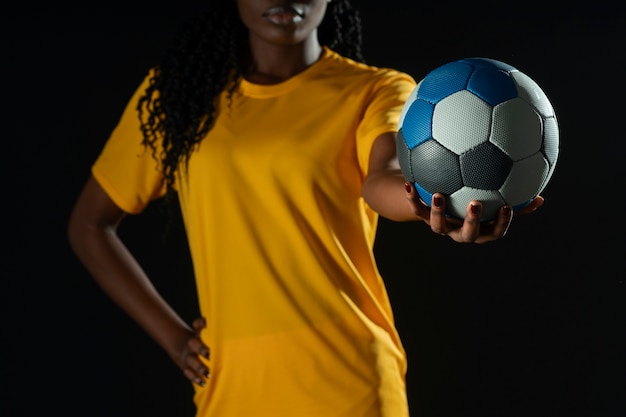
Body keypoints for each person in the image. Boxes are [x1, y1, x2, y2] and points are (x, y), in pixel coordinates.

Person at [67, 1, 543, 416]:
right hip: (231, 388)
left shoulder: (375, 89)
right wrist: (174, 339)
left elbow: (380, 179)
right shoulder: (177, 97)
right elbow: (89, 226)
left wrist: (425, 203)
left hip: (349, 383)